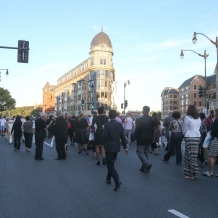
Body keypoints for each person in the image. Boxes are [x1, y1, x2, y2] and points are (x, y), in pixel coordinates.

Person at [102, 109, 128, 191]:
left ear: (109, 116)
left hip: (109, 146)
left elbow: (105, 135)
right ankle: (108, 178)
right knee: (111, 163)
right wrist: (125, 147)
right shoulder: (119, 124)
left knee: (109, 165)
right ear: (116, 115)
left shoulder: (107, 124)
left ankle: (117, 180)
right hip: (116, 146)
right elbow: (123, 137)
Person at [182, 105, 201, 180]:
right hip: (197, 137)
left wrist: (184, 134)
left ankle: (191, 173)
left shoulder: (187, 117)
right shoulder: (199, 118)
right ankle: (189, 173)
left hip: (189, 137)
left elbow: (184, 129)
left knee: (189, 155)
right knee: (193, 155)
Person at [134, 106, 154, 174]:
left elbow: (137, 129)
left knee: (139, 152)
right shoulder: (152, 119)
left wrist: (135, 137)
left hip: (141, 138)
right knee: (146, 152)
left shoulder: (139, 120)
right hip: (149, 137)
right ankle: (144, 167)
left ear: (143, 110)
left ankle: (146, 164)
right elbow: (152, 129)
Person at [203, 109, 218, 177]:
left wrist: (211, 132)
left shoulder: (216, 121)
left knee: (211, 155)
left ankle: (210, 172)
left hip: (215, 139)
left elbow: (214, 131)